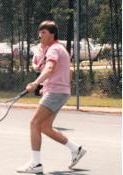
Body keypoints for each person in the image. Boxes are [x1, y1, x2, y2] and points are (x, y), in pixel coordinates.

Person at [16, 20, 86, 174]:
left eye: (44, 32)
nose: (40, 35)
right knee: (45, 127)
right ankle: (76, 149)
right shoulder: (59, 48)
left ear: (52, 34)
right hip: (58, 91)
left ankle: (36, 164)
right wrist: (48, 86)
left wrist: (36, 83)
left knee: (34, 123)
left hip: (56, 92)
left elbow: (50, 68)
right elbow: (67, 71)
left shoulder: (53, 49)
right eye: (40, 32)